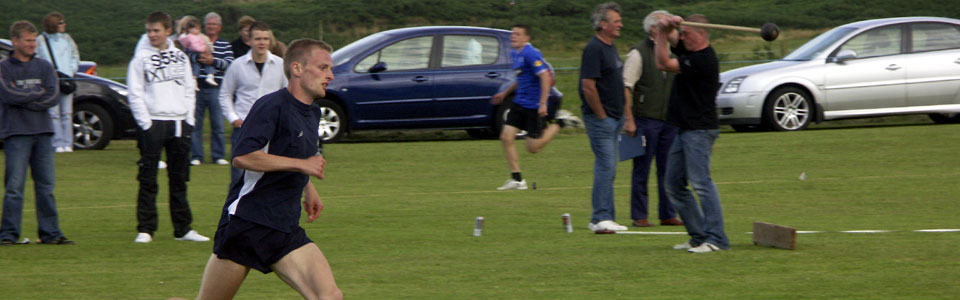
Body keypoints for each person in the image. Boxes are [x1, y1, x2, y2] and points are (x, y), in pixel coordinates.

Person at [194, 38, 342, 300]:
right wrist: (303, 165)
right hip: (248, 224)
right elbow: (243, 156)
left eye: (330, 69)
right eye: (322, 68)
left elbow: (293, 152)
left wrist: (309, 188)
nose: (330, 75)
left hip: (284, 225)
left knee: (329, 296)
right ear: (297, 69)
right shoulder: (271, 105)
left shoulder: (313, 112)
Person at [127, 11, 209, 244]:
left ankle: (183, 229)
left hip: (179, 124)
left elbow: (188, 89)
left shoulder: (180, 57)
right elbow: (136, 93)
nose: (152, 35)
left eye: (156, 30)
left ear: (167, 31)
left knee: (179, 179)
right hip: (153, 123)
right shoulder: (140, 58)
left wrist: (189, 120)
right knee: (148, 178)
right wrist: (146, 124)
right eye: (149, 31)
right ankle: (146, 229)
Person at [654, 14, 729, 253]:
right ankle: (698, 236)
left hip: (699, 130)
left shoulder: (703, 59)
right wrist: (667, 25)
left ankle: (716, 239)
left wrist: (663, 33)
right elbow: (671, 38)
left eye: (687, 33)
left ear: (701, 34)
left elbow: (663, 63)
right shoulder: (689, 51)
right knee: (673, 185)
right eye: (682, 32)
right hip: (683, 128)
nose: (682, 37)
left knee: (701, 183)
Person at [0, 20, 74, 246]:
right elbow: (8, 95)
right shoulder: (4, 67)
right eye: (28, 40)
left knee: (46, 186)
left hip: (43, 133)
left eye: (34, 40)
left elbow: (52, 96)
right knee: (14, 187)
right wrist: (36, 93)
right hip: (16, 133)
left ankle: (50, 233)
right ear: (16, 41)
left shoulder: (44, 66)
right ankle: (8, 235)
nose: (33, 45)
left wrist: (26, 97)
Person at [622, 10, 684, 228]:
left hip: (668, 120)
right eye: (665, 26)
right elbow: (626, 88)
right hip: (644, 119)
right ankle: (639, 215)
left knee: (668, 169)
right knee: (642, 168)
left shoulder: (674, 50)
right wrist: (629, 120)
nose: (670, 30)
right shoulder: (638, 53)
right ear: (654, 29)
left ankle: (668, 213)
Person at [579, 2, 630, 232]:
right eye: (616, 21)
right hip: (602, 119)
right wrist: (601, 116)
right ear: (603, 25)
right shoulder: (594, 48)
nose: (620, 25)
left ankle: (604, 216)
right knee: (606, 166)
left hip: (615, 117)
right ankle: (600, 217)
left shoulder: (610, 47)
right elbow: (588, 86)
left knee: (610, 167)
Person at [491, 24, 560, 190]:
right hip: (519, 103)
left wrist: (543, 103)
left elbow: (544, 77)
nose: (513, 37)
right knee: (506, 137)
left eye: (517, 34)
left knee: (533, 148)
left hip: (533, 107)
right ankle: (517, 180)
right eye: (512, 34)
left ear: (526, 38)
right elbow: (521, 78)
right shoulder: (515, 53)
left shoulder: (531, 53)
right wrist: (505, 93)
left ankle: (560, 123)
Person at [219, 21, 287, 189]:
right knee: (239, 178)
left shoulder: (280, 64)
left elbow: (288, 95)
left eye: (265, 38)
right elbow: (225, 94)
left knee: (271, 177)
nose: (262, 42)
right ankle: (232, 214)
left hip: (272, 130)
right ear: (249, 40)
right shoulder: (237, 65)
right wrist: (233, 118)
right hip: (244, 128)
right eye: (258, 39)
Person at [189, 12, 234, 166]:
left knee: (218, 124)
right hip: (197, 87)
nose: (211, 27)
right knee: (196, 124)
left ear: (219, 27)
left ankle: (218, 155)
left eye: (214, 24)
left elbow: (230, 64)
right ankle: (196, 156)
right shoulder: (196, 40)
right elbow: (187, 57)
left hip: (217, 88)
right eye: (208, 24)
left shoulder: (225, 44)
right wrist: (198, 58)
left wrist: (213, 61)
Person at [35, 12, 79, 153]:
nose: (64, 25)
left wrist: (70, 72)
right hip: (50, 81)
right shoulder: (41, 40)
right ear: (54, 25)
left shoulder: (67, 39)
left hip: (66, 79)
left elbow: (75, 56)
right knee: (53, 114)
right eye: (61, 23)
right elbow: (38, 59)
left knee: (67, 113)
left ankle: (68, 143)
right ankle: (57, 143)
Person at [177, 16, 219, 87]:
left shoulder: (202, 37)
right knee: (195, 67)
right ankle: (195, 80)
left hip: (207, 83)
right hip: (183, 79)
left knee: (206, 65)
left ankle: (209, 76)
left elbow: (209, 47)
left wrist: (210, 55)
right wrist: (198, 56)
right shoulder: (180, 40)